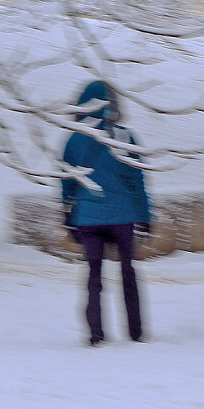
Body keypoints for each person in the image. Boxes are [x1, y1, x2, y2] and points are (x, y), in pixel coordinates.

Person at [60, 80, 152, 346]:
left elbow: (67, 182)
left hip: (88, 219)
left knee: (93, 277)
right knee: (128, 273)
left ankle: (95, 335)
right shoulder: (125, 137)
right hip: (123, 217)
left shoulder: (73, 139)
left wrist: (68, 218)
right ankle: (136, 333)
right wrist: (145, 217)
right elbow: (138, 183)